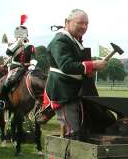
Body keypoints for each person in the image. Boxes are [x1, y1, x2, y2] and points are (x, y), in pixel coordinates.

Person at [43, 9, 107, 138]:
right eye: (80, 23)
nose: (84, 27)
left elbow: (77, 65)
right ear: (67, 22)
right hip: (63, 93)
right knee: (72, 131)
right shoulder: (60, 40)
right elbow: (66, 66)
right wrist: (93, 65)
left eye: (86, 24)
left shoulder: (74, 40)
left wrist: (88, 70)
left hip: (76, 91)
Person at [0, 15, 36, 110]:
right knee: (9, 82)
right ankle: (1, 101)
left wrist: (33, 65)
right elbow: (8, 52)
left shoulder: (30, 46)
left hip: (28, 68)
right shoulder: (14, 45)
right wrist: (18, 42)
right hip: (15, 68)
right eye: (18, 33)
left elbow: (34, 57)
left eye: (22, 33)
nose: (20, 35)